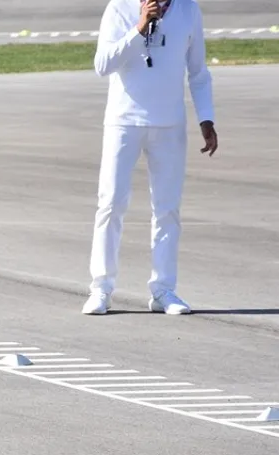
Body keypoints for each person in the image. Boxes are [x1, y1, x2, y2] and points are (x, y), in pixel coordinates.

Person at [84, 0, 217, 316]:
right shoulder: (119, 8)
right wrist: (139, 27)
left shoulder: (187, 10)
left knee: (168, 210)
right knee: (111, 204)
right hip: (123, 122)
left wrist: (206, 119)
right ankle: (100, 289)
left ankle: (163, 290)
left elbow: (197, 71)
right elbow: (103, 64)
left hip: (169, 124)